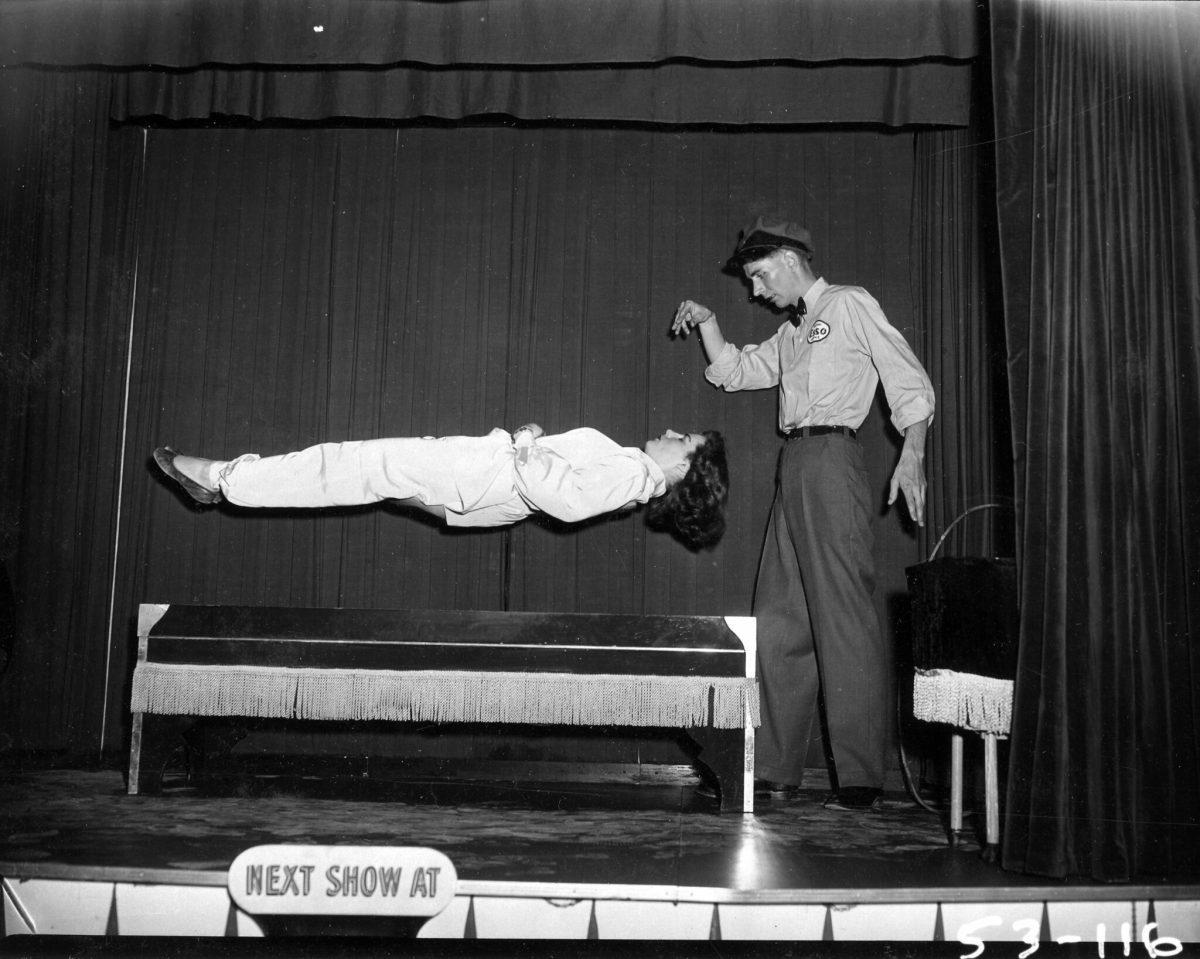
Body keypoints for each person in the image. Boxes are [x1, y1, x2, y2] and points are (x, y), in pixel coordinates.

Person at [672, 215, 935, 809]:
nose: (757, 292)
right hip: (793, 464)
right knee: (780, 615)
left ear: (791, 258)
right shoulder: (793, 334)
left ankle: (862, 774)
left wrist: (913, 451)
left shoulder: (848, 304)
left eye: (761, 277)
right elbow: (737, 372)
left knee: (841, 614)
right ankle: (774, 767)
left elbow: (908, 379)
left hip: (833, 458)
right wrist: (710, 325)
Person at [154, 423, 729, 550]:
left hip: (483, 473)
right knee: (360, 473)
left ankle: (222, 479)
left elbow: (568, 504)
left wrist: (528, 444)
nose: (672, 432)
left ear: (686, 469)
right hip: (482, 481)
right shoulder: (634, 472)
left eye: (685, 441)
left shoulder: (635, 472)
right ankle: (228, 479)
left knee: (348, 465)